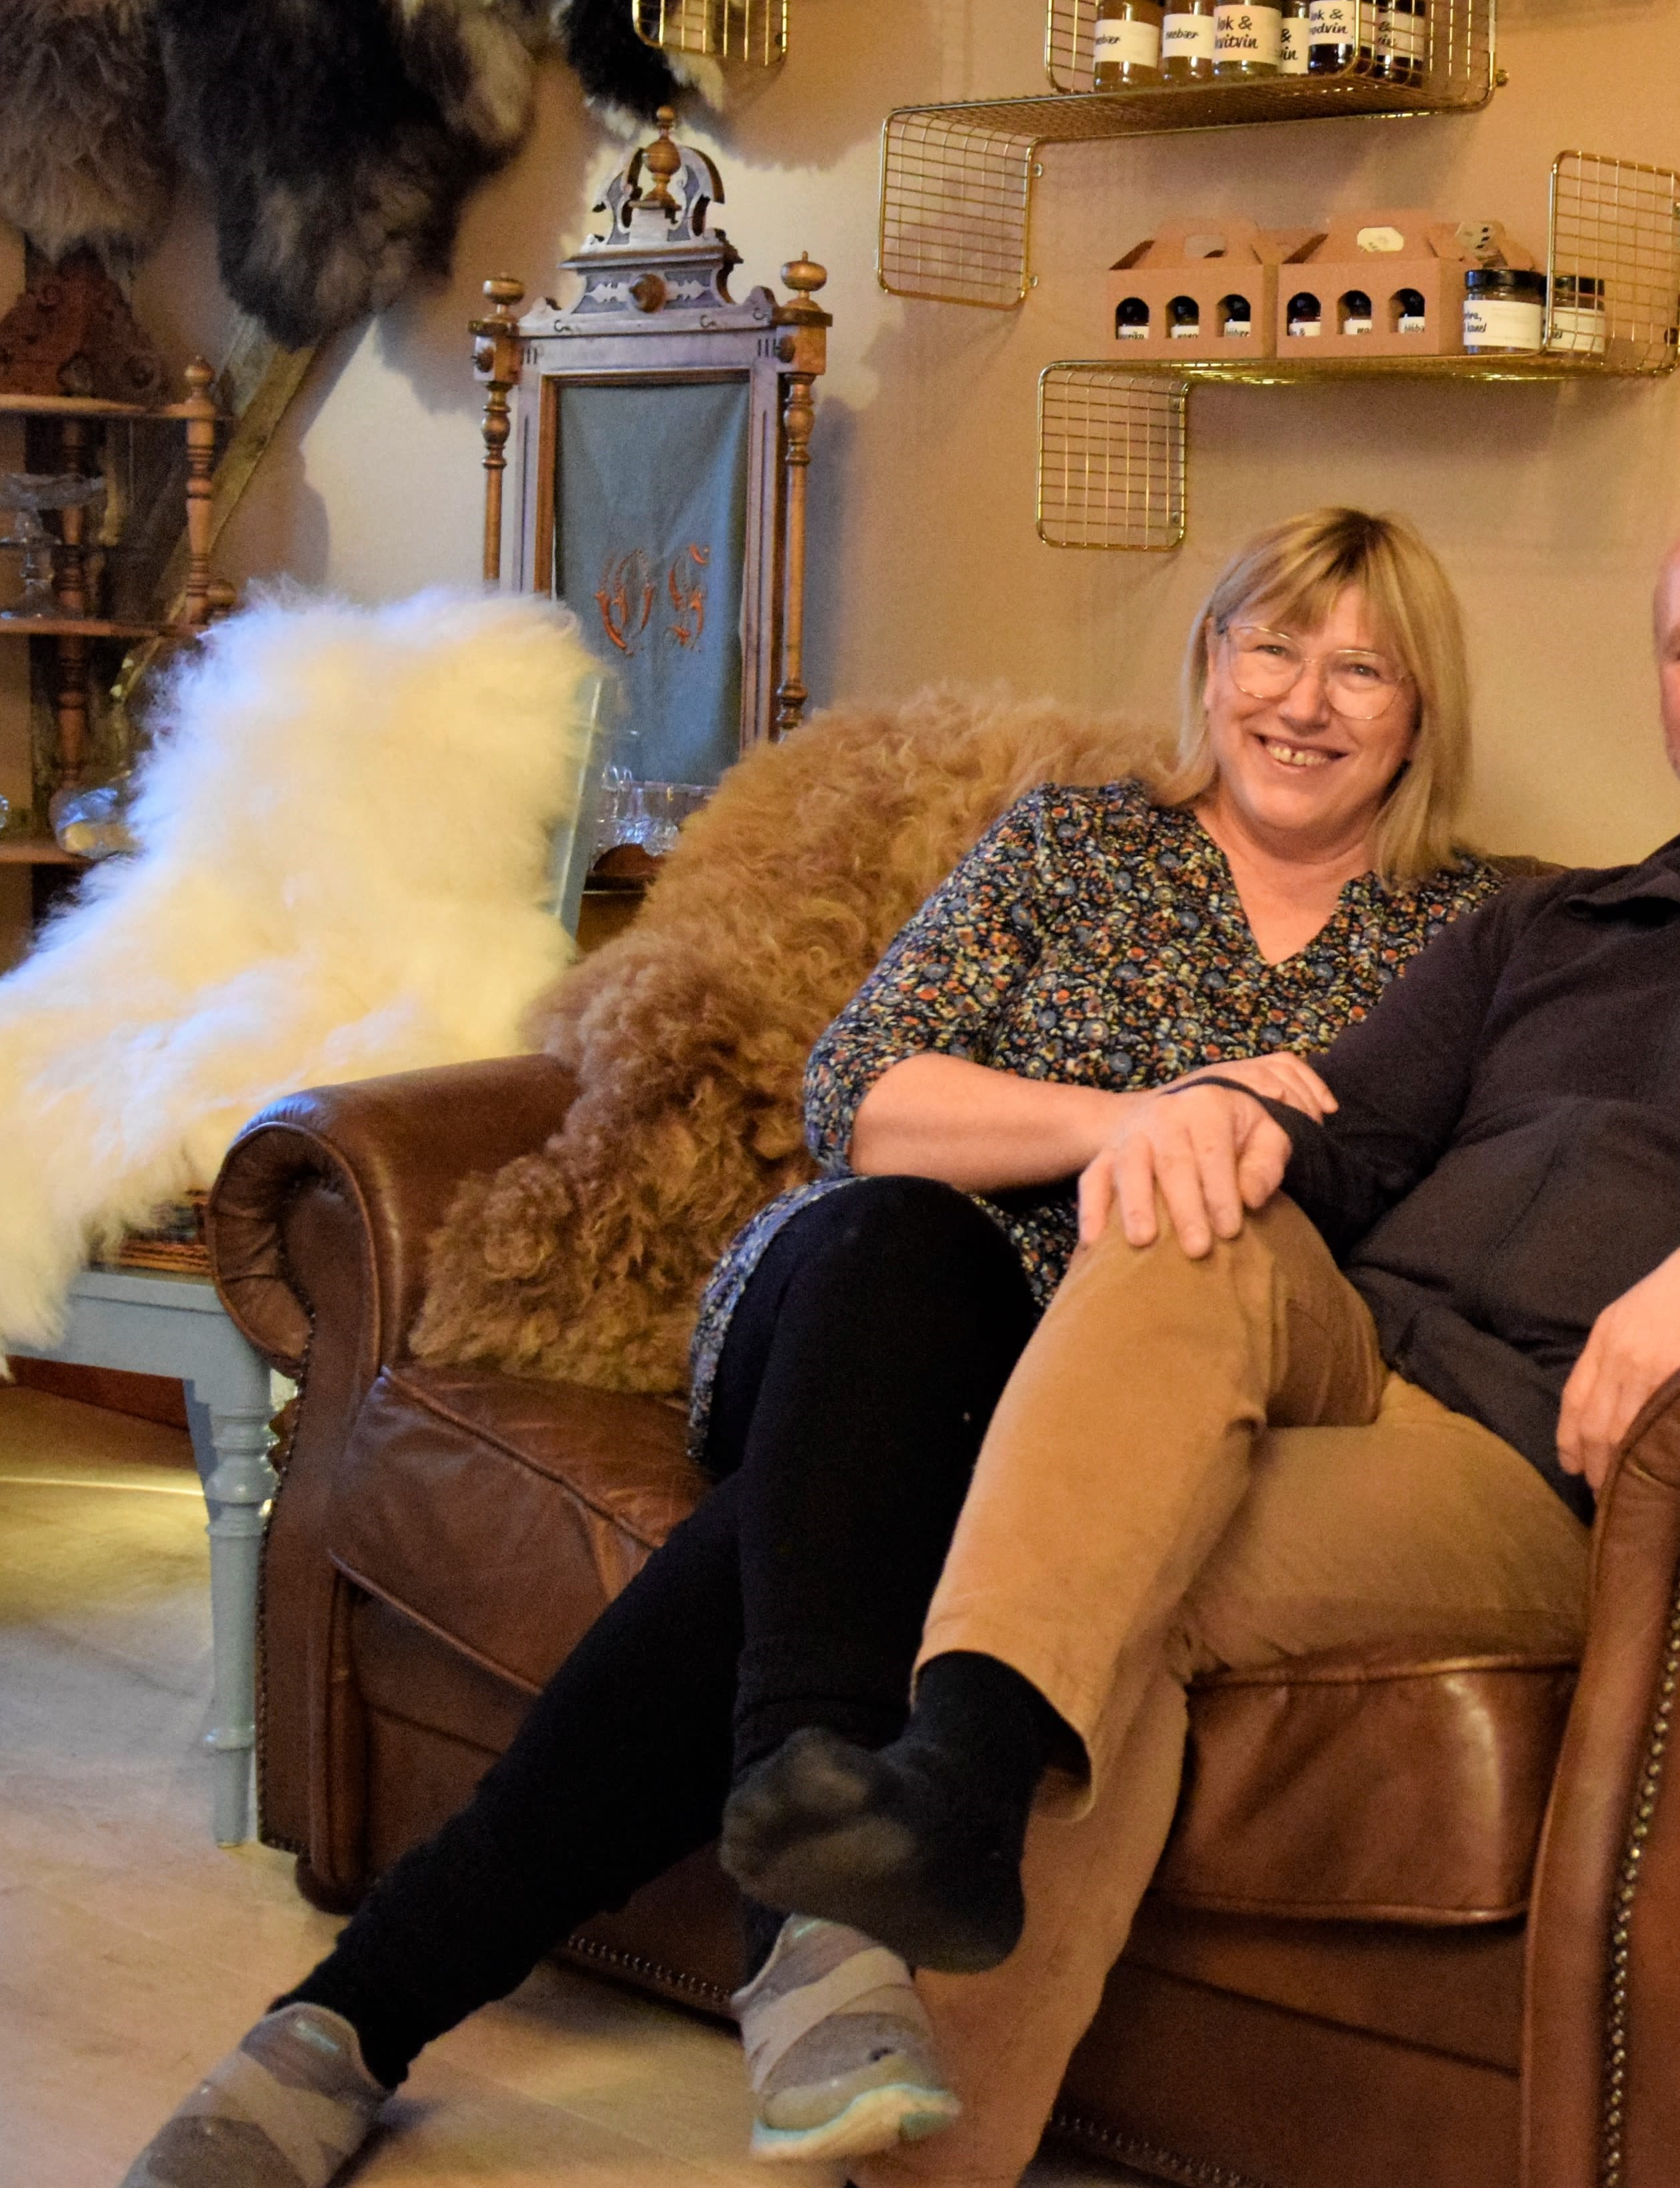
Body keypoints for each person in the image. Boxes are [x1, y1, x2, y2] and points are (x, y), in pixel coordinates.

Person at [715, 490, 1680, 2182]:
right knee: (1183, 1198)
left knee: (1126, 1574)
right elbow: (1354, 1132)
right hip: (1351, 1341)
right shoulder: (1550, 926)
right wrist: (1220, 1119)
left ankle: (946, 1884)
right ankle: (957, 1774)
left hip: (1533, 1449)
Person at [122, 509, 1499, 2188]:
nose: (1304, 699)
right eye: (1272, 645)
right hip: (859, 1309)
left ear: (1419, 716)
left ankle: (348, 2017)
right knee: (904, 1235)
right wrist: (1145, 1116)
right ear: (1212, 661)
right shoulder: (1076, 843)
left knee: (811, 1544)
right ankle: (810, 1929)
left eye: (1362, 668)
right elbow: (867, 1094)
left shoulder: (1458, 940)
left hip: (1099, 1418)